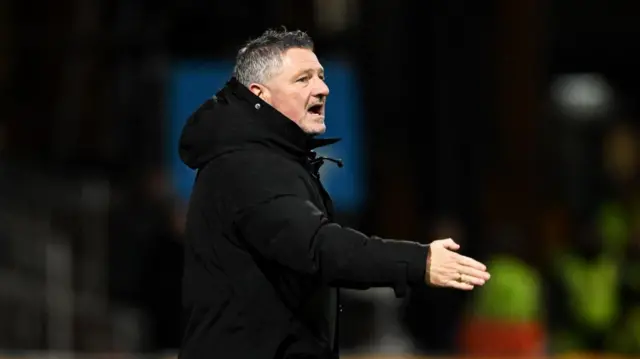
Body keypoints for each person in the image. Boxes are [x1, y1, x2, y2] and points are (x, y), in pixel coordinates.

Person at [177, 28, 491, 359]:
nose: (323, 89)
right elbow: (318, 247)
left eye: (321, 76)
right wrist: (418, 261)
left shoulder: (270, 160)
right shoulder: (248, 167)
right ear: (260, 94)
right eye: (303, 79)